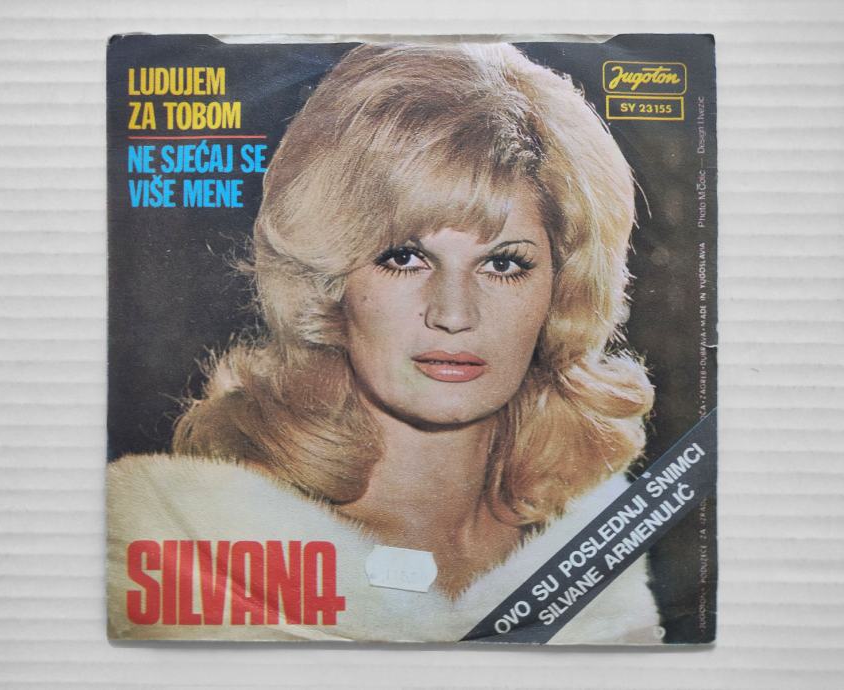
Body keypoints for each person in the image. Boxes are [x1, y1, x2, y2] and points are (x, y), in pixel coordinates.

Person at [108, 42, 660, 643]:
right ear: (327, 278)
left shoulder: (600, 534)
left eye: (503, 264)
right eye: (404, 257)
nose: (453, 315)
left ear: (562, 288)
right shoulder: (190, 533)